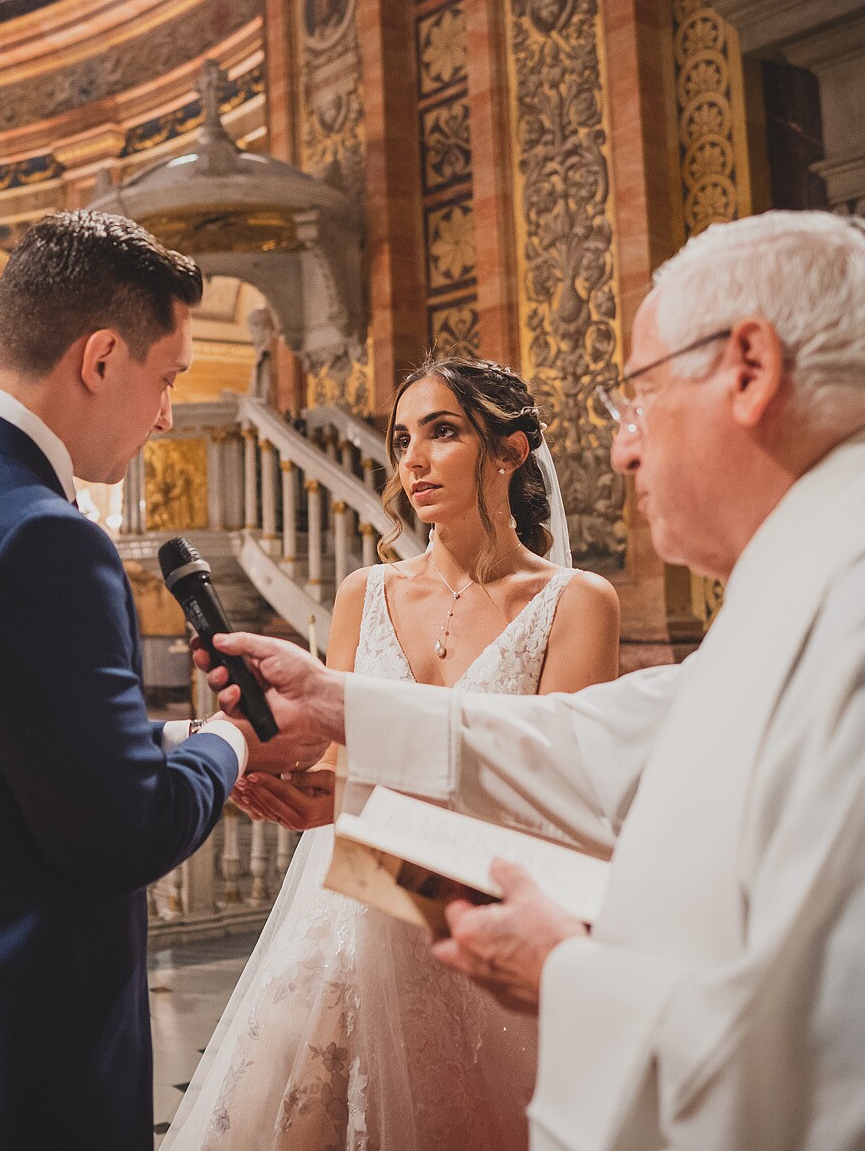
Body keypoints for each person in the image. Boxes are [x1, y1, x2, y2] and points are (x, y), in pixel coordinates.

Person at [197, 212, 865, 1149]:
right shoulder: (837, 578)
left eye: (642, 395)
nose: (625, 448)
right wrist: (342, 707)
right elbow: (603, 740)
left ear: (750, 368)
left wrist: (573, 980)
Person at [0, 210, 297, 1151]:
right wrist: (229, 736)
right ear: (101, 357)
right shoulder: (45, 534)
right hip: (5, 1029)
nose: (164, 415)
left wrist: (148, 739)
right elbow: (127, 831)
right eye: (167, 380)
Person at [164, 357, 619, 1150]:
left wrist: (351, 802)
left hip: (478, 934)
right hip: (347, 926)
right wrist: (275, 760)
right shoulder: (363, 592)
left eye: (443, 432)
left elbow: (554, 810)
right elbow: (344, 772)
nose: (411, 459)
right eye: (403, 436)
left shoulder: (576, 604)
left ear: (510, 452)